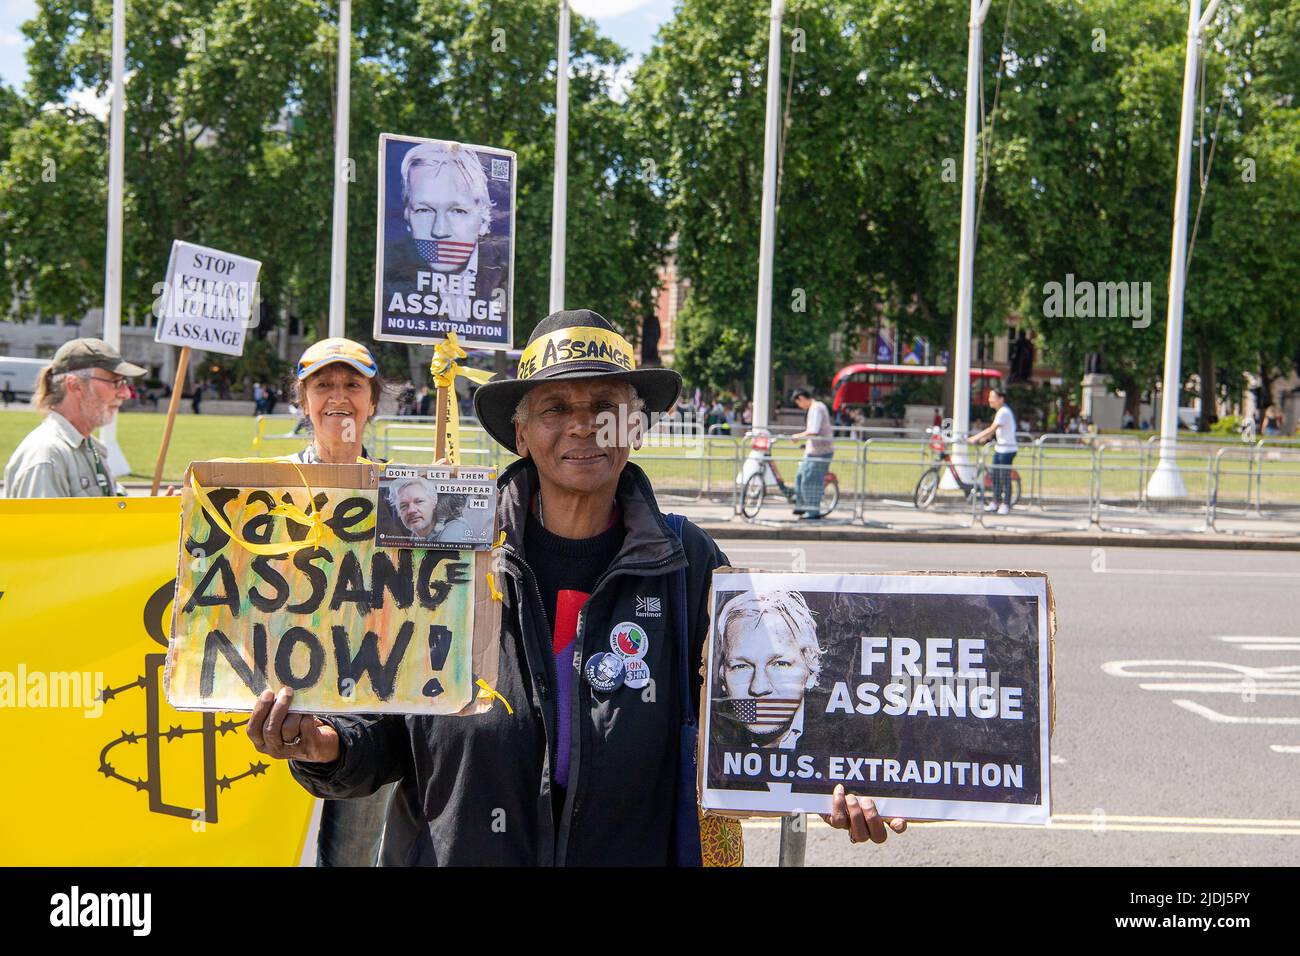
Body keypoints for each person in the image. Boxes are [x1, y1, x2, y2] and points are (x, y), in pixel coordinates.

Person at [248, 310, 904, 863]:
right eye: (556, 407)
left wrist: (844, 776)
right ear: (520, 433)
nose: (583, 425)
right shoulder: (439, 541)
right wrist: (324, 744)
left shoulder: (689, 559)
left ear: (634, 426)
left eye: (605, 407)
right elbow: (383, 726)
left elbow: (771, 709)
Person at [285, 336, 393, 866]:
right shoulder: (261, 489)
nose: (338, 396)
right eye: (323, 384)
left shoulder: (402, 493)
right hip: (282, 699)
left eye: (353, 384)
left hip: (368, 704)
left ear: (372, 399)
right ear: (303, 398)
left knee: (353, 854)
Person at [381, 141, 510, 334]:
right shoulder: (393, 280)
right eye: (424, 210)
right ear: (407, 216)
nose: (439, 230)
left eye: (457, 211)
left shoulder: (503, 274)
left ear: (484, 220)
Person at [3, 338, 145, 498]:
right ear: (75, 385)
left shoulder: (87, 447)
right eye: (115, 382)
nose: (125, 393)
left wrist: (158, 512)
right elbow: (44, 524)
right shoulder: (48, 456)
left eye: (124, 382)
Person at [712, 589, 821, 750]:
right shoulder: (709, 740)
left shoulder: (849, 739)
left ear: (810, 672)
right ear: (722, 675)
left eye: (779, 664)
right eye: (741, 666)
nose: (759, 687)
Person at [971, 386, 1017, 515]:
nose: (990, 400)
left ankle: (1005, 504)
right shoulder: (1000, 412)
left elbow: (992, 428)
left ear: (1001, 399)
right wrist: (984, 439)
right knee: (994, 475)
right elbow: (995, 432)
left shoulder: (1003, 412)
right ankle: (996, 501)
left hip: (1007, 450)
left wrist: (975, 438)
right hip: (1000, 448)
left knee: (1004, 477)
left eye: (993, 397)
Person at [790, 387, 834, 519]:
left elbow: (814, 431)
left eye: (798, 403)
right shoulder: (816, 407)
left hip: (820, 452)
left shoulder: (815, 408)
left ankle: (812, 511)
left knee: (809, 481)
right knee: (800, 477)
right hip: (815, 451)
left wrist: (798, 436)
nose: (799, 406)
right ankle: (802, 506)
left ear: (801, 398)